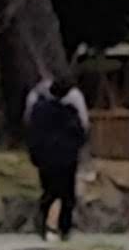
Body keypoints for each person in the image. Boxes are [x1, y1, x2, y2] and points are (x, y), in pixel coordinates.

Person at [22, 68, 89, 239]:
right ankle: (64, 227)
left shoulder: (38, 110)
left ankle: (43, 221)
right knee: (67, 194)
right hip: (66, 158)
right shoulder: (70, 113)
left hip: (44, 157)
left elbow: (31, 131)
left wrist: (34, 152)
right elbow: (81, 134)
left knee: (48, 190)